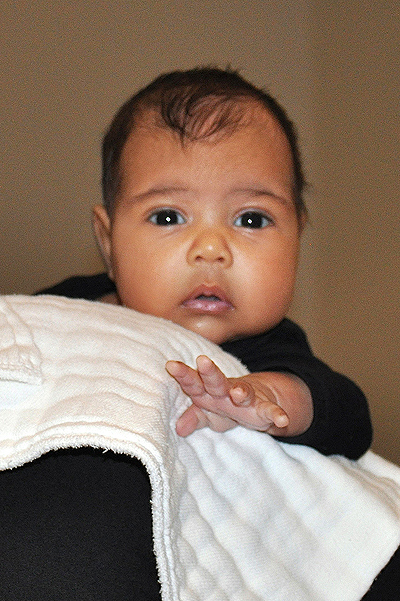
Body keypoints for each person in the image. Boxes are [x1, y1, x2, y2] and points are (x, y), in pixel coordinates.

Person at [24, 67, 399, 600]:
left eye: (251, 220)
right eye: (168, 216)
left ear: (297, 236)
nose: (210, 248)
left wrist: (265, 397)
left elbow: (347, 414)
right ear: (108, 242)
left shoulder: (267, 347)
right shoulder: (66, 310)